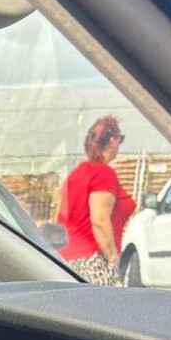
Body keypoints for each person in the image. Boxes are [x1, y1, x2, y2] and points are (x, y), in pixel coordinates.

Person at [57, 115, 135, 284]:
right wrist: (112, 258)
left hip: (68, 260)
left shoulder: (77, 174)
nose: (119, 145)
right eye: (120, 139)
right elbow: (99, 220)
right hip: (93, 261)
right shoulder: (103, 174)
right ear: (112, 140)